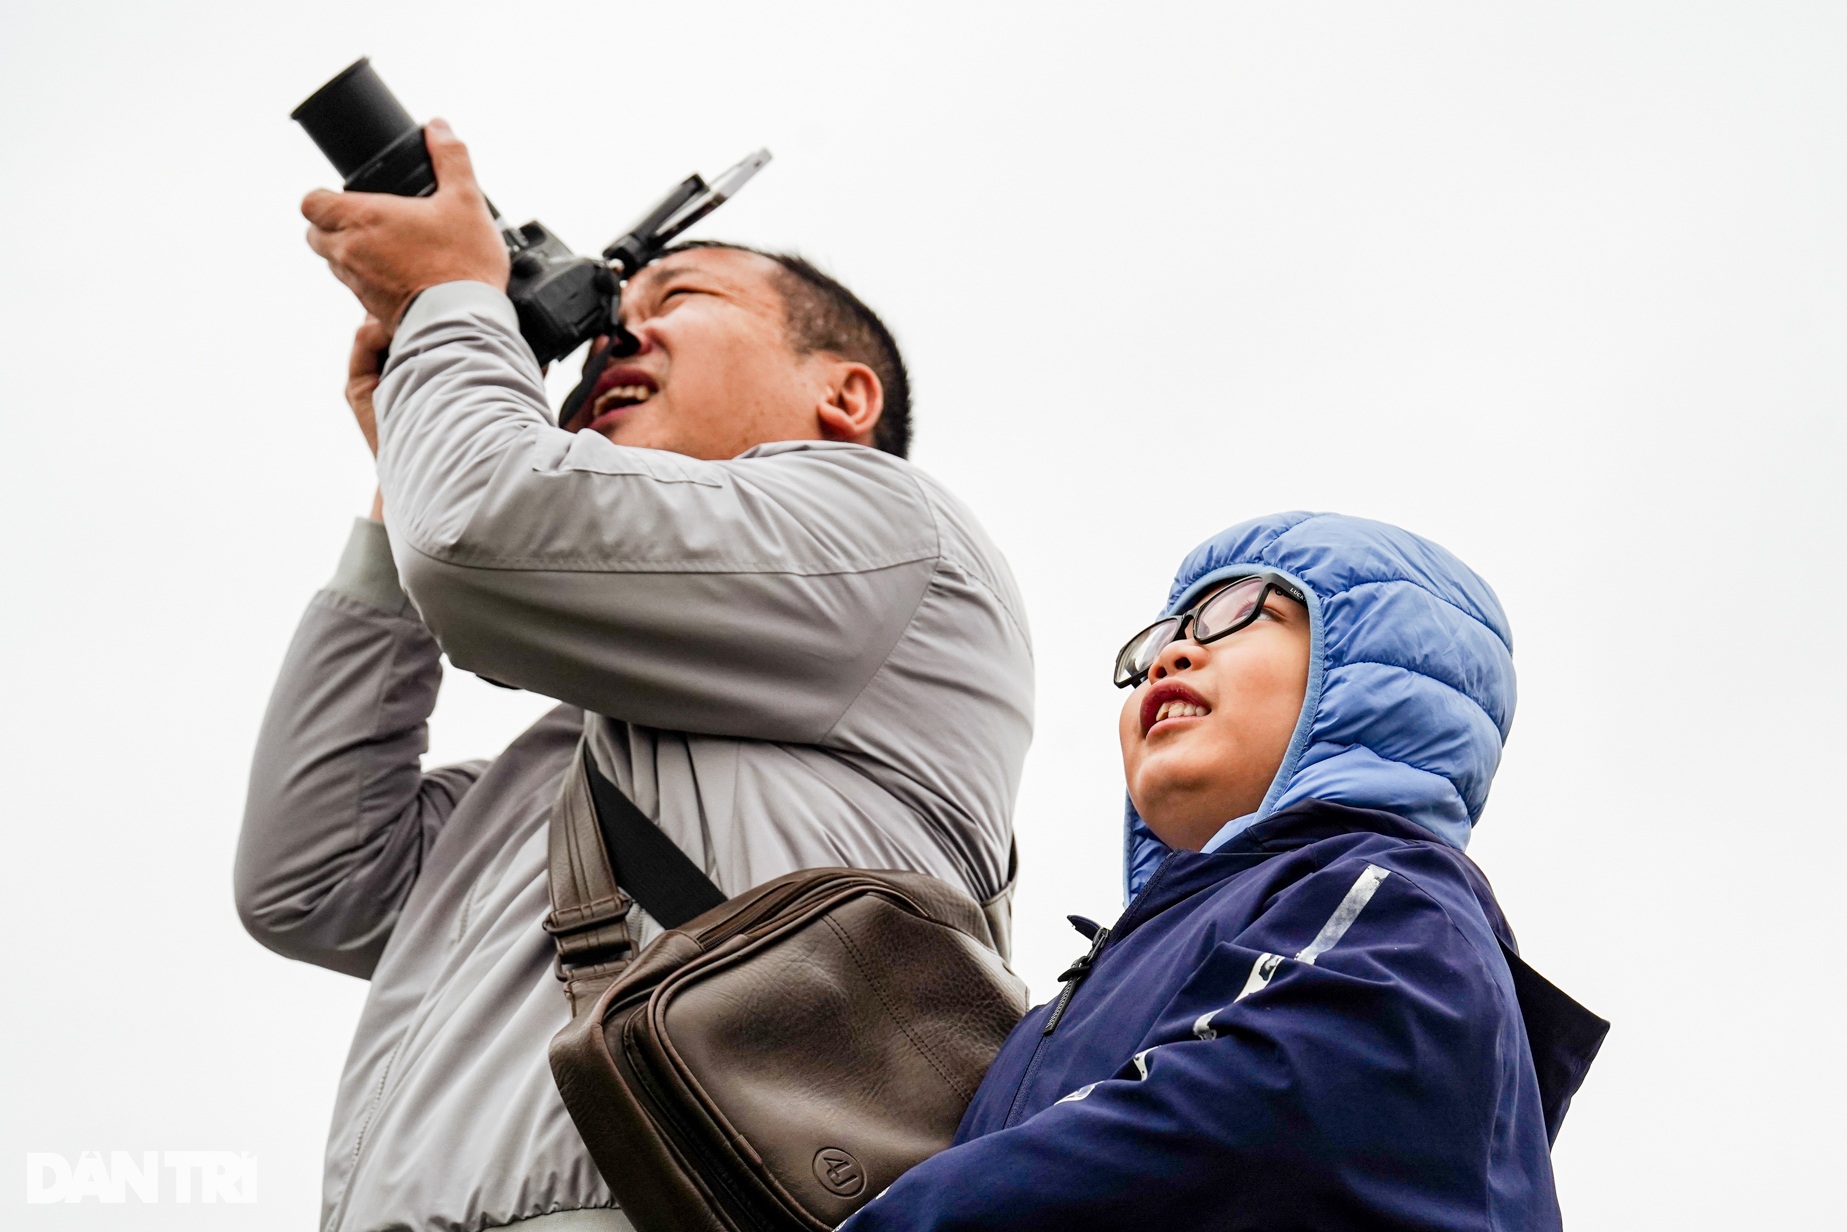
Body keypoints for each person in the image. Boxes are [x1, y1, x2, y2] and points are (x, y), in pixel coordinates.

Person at [236, 122, 1033, 1232]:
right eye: (611, 306)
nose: (620, 327)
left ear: (843, 398)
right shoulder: (570, 767)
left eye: (679, 295)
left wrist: (454, 308)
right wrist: (400, 469)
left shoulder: (893, 536)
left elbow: (479, 533)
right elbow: (311, 880)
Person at [840, 511, 1607, 1232]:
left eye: (1240, 612)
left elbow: (1239, 1118)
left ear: (1371, 674)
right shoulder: (1107, 978)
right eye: (1160, 639)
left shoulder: (1385, 895)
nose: (1171, 654)